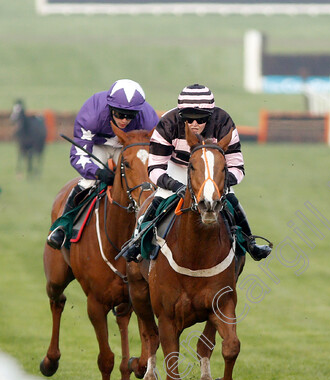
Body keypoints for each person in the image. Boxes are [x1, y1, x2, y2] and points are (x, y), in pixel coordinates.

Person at [121, 83, 272, 262]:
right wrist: (174, 185)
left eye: (200, 119)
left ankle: (250, 243)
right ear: (180, 115)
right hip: (177, 167)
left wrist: (220, 182)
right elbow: (154, 168)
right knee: (160, 196)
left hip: (211, 172)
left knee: (230, 197)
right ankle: (137, 241)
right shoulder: (167, 124)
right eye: (188, 118)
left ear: (210, 115)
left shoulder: (224, 122)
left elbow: (237, 166)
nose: (194, 124)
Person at [46, 79, 160, 249]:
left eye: (130, 116)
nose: (124, 120)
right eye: (119, 114)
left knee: (141, 181)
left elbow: (156, 153)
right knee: (89, 181)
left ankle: (151, 231)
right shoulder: (92, 112)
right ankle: (63, 226)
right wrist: (97, 172)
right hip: (97, 145)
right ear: (109, 108)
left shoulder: (149, 118)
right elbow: (79, 154)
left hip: (127, 147)